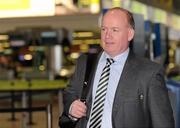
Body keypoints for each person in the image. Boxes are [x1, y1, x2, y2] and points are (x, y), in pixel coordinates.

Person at [62, 7, 174, 128]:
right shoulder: (85, 63)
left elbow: (162, 122)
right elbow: (70, 93)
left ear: (130, 34)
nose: (107, 36)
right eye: (104, 29)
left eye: (115, 30)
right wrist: (72, 107)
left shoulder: (149, 73)